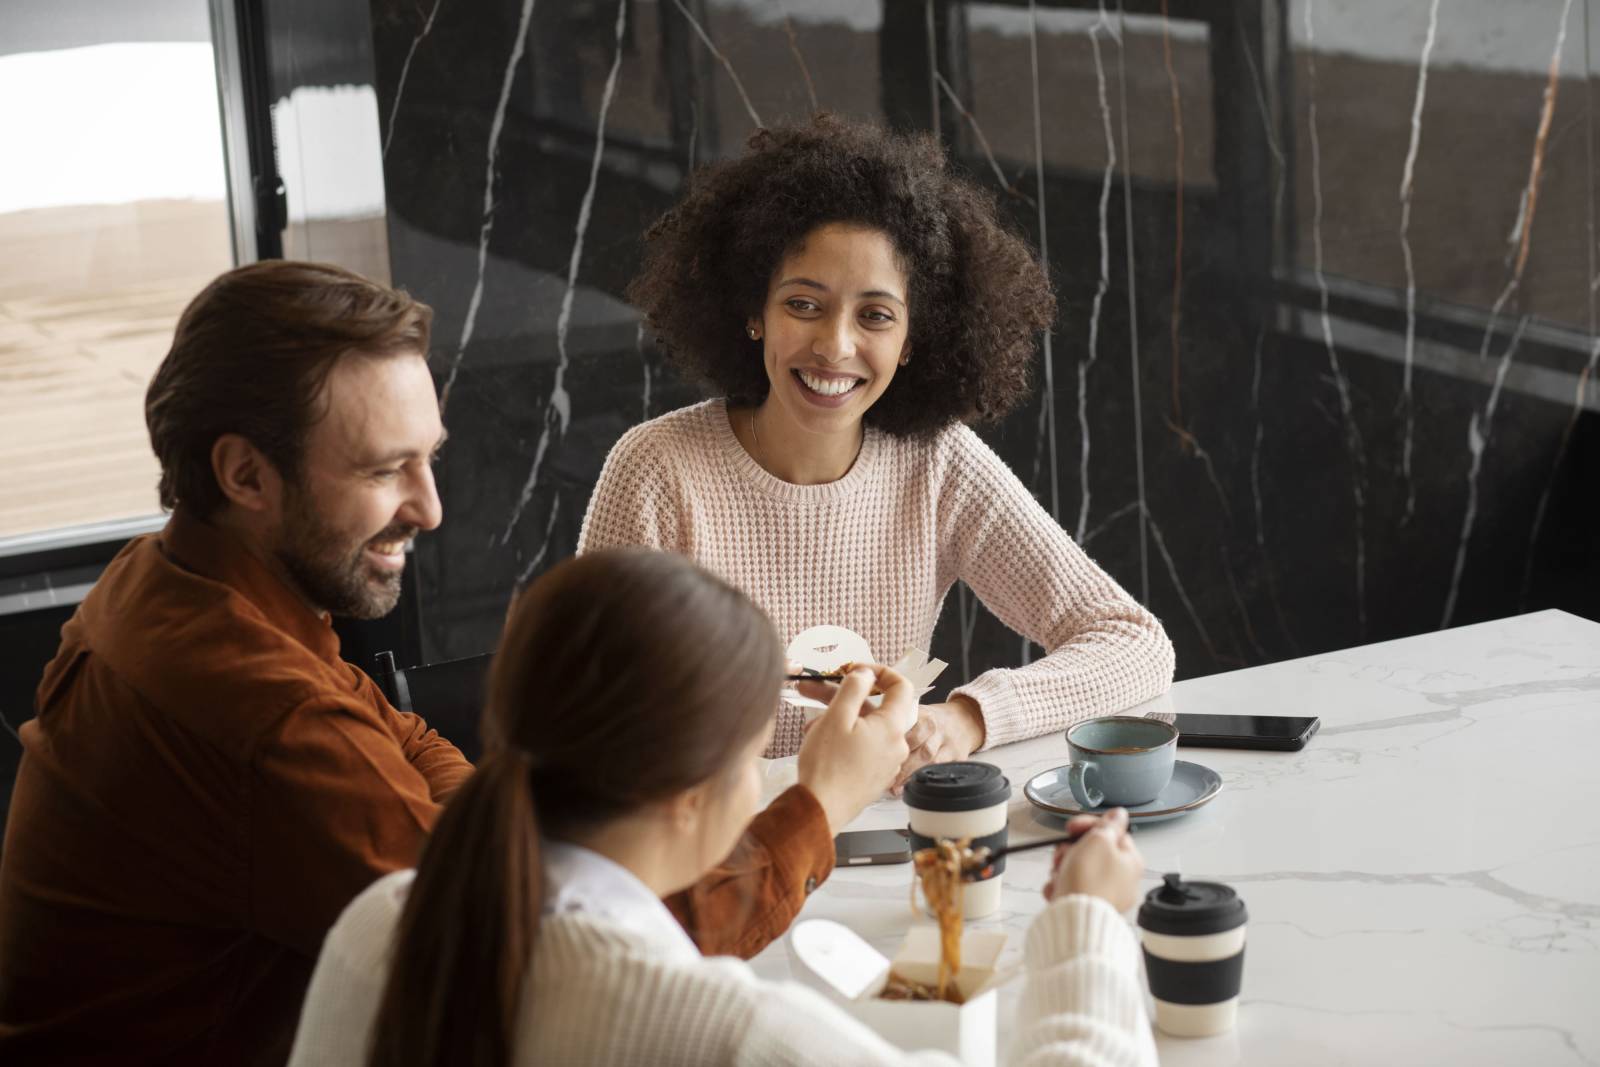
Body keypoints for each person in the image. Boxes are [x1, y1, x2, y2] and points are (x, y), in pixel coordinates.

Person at [0, 262, 901, 1065]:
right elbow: (584, 969)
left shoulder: (169, 580)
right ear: (244, 475)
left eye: (429, 459)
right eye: (385, 469)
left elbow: (409, 743)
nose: (430, 509)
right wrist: (818, 804)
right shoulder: (262, 718)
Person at [287, 549, 1157, 1067]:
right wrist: (1087, 925)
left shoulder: (380, 926)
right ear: (691, 796)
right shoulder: (729, 1031)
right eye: (753, 759)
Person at [579, 114, 1176, 784]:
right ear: (754, 311)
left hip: (895, 843)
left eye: (876, 315)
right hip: (717, 850)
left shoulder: (937, 464)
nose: (835, 345)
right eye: (804, 304)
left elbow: (1133, 641)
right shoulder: (657, 471)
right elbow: (583, 719)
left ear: (914, 338)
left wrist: (966, 718)